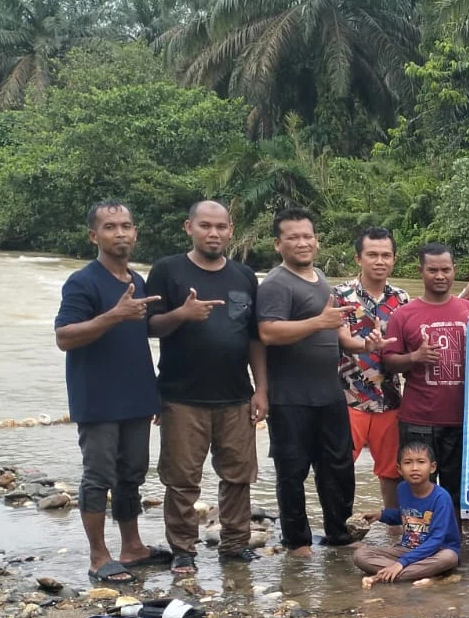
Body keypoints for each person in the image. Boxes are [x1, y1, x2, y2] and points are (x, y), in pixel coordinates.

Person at [145, 200, 266, 573]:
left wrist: (261, 388)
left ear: (231, 231)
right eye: (205, 226)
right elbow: (148, 326)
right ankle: (183, 549)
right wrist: (182, 314)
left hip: (235, 394)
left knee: (239, 475)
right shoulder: (168, 270)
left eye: (220, 227)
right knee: (181, 479)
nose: (213, 233)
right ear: (189, 227)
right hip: (182, 395)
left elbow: (254, 338)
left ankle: (234, 544)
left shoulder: (245, 276)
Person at [53, 201, 165, 584]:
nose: (120, 233)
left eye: (126, 226)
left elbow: (143, 332)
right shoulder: (82, 282)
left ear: (136, 233)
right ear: (93, 236)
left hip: (136, 395)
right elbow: (64, 337)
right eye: (110, 227)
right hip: (97, 398)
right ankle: (98, 556)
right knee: (98, 475)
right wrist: (112, 316)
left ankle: (132, 547)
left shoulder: (138, 280)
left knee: (132, 474)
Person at [257, 207, 356, 554]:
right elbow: (268, 332)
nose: (302, 242)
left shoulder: (321, 278)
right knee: (292, 471)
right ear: (277, 244)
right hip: (290, 397)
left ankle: (338, 534)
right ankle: (297, 541)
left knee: (338, 466)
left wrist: (368, 345)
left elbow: (339, 335)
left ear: (316, 240)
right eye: (293, 237)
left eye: (307, 236)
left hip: (329, 394)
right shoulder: (275, 284)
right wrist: (318, 322)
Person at [381, 243, 469, 512]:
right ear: (420, 271)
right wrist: (414, 358)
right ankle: (415, 542)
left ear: (454, 270)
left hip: (462, 421)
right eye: (432, 269)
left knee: (456, 493)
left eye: (446, 269)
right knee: (417, 490)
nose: (440, 275)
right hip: (418, 420)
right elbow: (388, 362)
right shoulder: (403, 314)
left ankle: (452, 546)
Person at [331, 227, 409, 513]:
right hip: (348, 397)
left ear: (394, 260)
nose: (380, 261)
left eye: (386, 255)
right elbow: (342, 340)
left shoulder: (401, 299)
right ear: (358, 258)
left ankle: (392, 523)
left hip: (389, 398)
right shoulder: (340, 295)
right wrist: (366, 345)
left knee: (392, 470)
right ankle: (340, 528)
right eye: (372, 254)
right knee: (340, 464)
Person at [355, 439, 462, 584]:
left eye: (421, 462)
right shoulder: (402, 489)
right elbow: (407, 516)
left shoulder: (441, 497)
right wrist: (381, 515)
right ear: (399, 469)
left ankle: (384, 575)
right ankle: (427, 576)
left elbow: (436, 540)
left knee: (449, 557)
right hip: (407, 549)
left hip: (437, 551)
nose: (415, 468)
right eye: (408, 463)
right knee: (360, 555)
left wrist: (401, 563)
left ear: (432, 467)